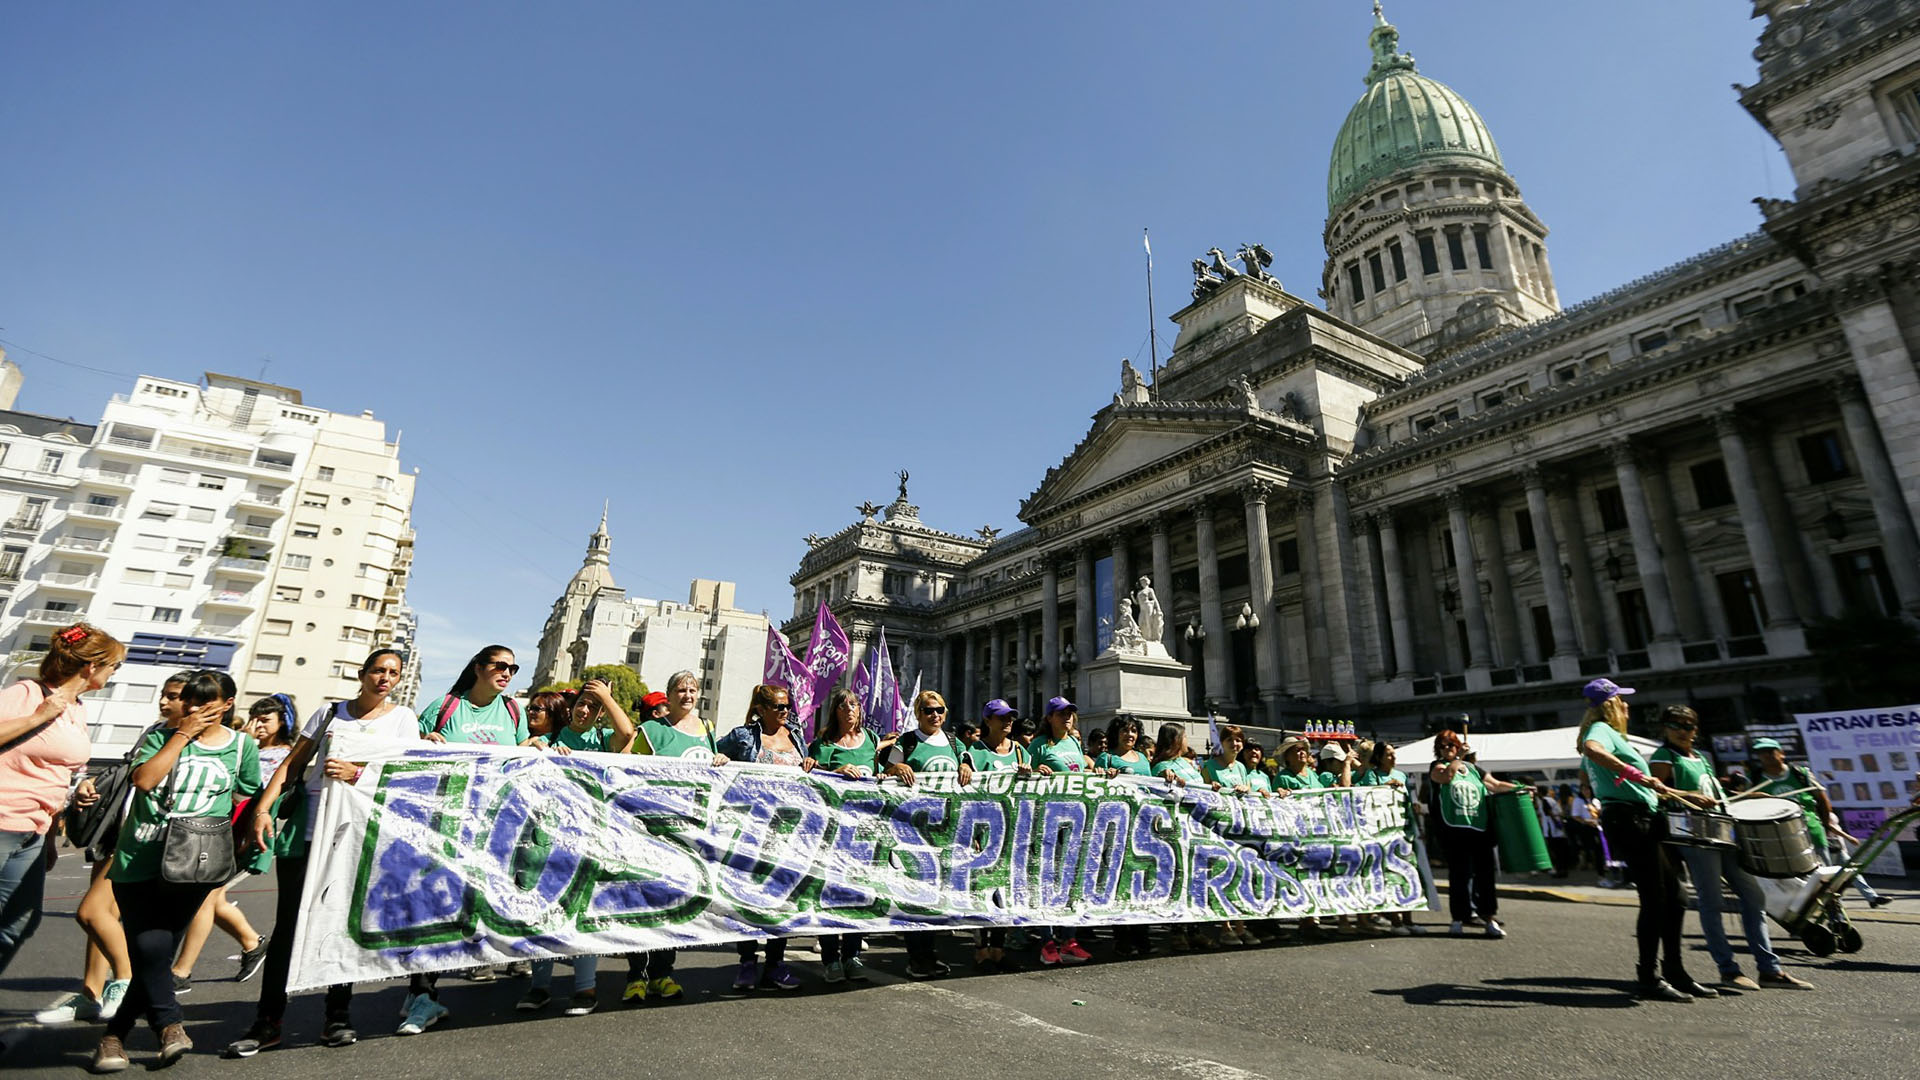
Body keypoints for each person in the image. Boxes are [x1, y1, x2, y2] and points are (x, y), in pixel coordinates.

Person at [226, 649, 417, 1057]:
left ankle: (338, 1015)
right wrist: (263, 809)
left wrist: (359, 773)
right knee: (287, 930)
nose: (385, 678)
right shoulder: (329, 714)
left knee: (339, 926)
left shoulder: (403, 720)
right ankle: (268, 1020)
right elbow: (293, 765)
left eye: (393, 673)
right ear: (362, 674)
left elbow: (408, 776)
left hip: (355, 834)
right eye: (379, 671)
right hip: (307, 831)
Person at [92, 669, 259, 1072]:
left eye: (207, 700)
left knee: (156, 951)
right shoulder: (161, 737)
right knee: (151, 949)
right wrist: (182, 734)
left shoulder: (241, 747)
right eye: (191, 699)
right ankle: (168, 1025)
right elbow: (145, 781)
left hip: (195, 863)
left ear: (228, 703)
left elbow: (250, 793)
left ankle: (115, 1038)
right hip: (140, 857)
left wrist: (253, 830)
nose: (197, 707)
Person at [394, 645, 530, 1035]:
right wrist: (426, 743)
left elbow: (517, 759)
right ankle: (423, 994)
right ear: (478, 668)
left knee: (474, 908)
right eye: (500, 666)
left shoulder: (513, 711)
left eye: (513, 668)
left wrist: (532, 748)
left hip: (494, 828)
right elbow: (408, 755)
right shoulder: (446, 705)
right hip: (446, 825)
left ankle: (424, 988)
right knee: (436, 906)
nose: (507, 673)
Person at [37, 669, 177, 1029]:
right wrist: (89, 785)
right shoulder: (156, 731)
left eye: (174, 696)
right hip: (114, 829)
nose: (164, 701)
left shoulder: (186, 740)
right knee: (104, 919)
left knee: (91, 914)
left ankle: (127, 980)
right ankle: (90, 994)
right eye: (164, 693)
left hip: (143, 837)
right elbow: (127, 776)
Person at [1649, 706, 1811, 992]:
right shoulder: (1664, 756)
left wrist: (1742, 797)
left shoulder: (1700, 757)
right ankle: (1728, 970)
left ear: (1696, 729)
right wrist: (1689, 796)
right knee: (1711, 904)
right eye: (1675, 725)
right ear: (1664, 728)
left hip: (1722, 833)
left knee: (1754, 899)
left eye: (1688, 726)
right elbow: (1656, 794)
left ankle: (1769, 970)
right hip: (1695, 838)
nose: (1683, 731)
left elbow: (1716, 796)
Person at [1578, 678, 1710, 1002]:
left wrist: (1686, 794)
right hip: (1628, 819)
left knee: (1676, 896)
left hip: (1643, 816)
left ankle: (1675, 970)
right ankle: (1648, 976)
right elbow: (1591, 751)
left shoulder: (1615, 736)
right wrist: (1635, 773)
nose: (1627, 705)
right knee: (1655, 898)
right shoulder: (1601, 731)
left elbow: (1635, 784)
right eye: (1622, 700)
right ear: (1611, 704)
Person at [0, 624, 120, 980]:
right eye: (114, 665)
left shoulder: (78, 709)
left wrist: (52, 834)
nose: (115, 673)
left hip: (33, 832)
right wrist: (39, 716)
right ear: (92, 666)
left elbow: (60, 774)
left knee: (20, 921)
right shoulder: (27, 692)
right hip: (2, 819)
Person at [621, 670, 726, 1005]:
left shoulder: (707, 730)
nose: (688, 695)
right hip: (651, 832)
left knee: (674, 907)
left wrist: (722, 759)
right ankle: (636, 976)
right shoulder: (651, 731)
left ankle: (663, 973)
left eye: (693, 689)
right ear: (668, 695)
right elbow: (625, 769)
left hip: (689, 837)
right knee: (643, 906)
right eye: (681, 689)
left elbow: (716, 771)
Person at [716, 684, 810, 993]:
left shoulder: (796, 737)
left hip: (789, 834)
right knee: (748, 897)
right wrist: (720, 759)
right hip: (752, 831)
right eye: (779, 708)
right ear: (762, 710)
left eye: (787, 707)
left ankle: (775, 964)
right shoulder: (744, 737)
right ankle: (746, 962)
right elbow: (713, 752)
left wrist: (811, 766)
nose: (786, 712)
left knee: (781, 899)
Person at [879, 689, 969, 977]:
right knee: (916, 896)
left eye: (940, 710)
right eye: (929, 710)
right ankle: (916, 956)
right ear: (918, 714)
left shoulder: (954, 742)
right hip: (913, 833)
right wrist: (897, 767)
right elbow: (884, 770)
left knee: (936, 897)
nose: (935, 715)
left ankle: (929, 953)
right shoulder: (907, 741)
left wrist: (966, 766)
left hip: (946, 832)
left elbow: (969, 770)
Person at [806, 688, 882, 983]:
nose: (850, 709)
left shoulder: (872, 741)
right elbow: (812, 777)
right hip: (832, 832)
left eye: (854, 705)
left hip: (864, 833)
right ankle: (830, 958)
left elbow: (880, 774)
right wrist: (836, 770)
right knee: (831, 894)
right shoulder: (823, 743)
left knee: (859, 895)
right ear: (834, 711)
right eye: (843, 705)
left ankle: (852, 955)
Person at [1429, 729, 1520, 939]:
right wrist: (1459, 757)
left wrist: (1518, 788)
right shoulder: (1438, 766)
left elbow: (1495, 785)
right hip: (1455, 831)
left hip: (1479, 829)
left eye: (1451, 745)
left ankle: (1488, 918)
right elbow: (1445, 777)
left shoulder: (1474, 769)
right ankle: (1458, 919)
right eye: (1443, 746)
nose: (1447, 749)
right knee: (1460, 875)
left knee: (1485, 875)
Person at [963, 699, 1030, 971]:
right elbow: (967, 794)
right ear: (988, 721)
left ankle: (998, 948)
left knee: (1006, 892)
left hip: (1013, 832)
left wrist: (1032, 773)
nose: (1008, 722)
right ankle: (981, 948)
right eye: (1002, 717)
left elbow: (1033, 789)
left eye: (1010, 717)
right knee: (981, 891)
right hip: (983, 832)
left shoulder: (1020, 752)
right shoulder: (975, 753)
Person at [1029, 696, 1094, 966]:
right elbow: (1019, 777)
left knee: (1072, 883)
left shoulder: (1074, 743)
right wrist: (1034, 771)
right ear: (1049, 718)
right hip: (1047, 823)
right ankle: (1047, 941)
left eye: (1070, 713)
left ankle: (1069, 939)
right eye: (1061, 713)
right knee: (1047, 882)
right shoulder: (1039, 746)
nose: (1067, 717)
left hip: (1075, 823)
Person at [1150, 722, 1218, 951]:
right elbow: (1159, 783)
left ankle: (1195, 929)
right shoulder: (1162, 765)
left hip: (1200, 828)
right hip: (1179, 830)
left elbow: (1201, 786)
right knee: (1179, 878)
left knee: (1198, 880)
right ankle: (1177, 931)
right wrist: (1165, 776)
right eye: (1184, 736)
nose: (1188, 740)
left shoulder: (1189, 763)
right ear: (1176, 739)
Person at [1199, 724, 1261, 946]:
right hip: (1217, 830)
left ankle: (1241, 926)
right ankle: (1225, 927)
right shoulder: (1209, 766)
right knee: (1221, 877)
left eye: (1238, 741)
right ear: (1221, 743)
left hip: (1239, 829)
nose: (1235, 745)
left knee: (1241, 877)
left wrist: (1247, 789)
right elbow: (1202, 791)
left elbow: (1248, 790)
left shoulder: (1242, 768)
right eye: (1230, 741)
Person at [1356, 739, 1426, 936]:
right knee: (1390, 878)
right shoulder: (1373, 775)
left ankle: (1409, 920)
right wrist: (1386, 787)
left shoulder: (1401, 775)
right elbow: (1368, 797)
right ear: (1379, 758)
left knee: (1408, 876)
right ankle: (1396, 922)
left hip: (1404, 832)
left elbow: (1408, 800)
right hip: (1383, 835)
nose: (1393, 756)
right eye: (1388, 754)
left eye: (1394, 753)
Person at [547, 679, 637, 754]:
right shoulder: (550, 738)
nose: (583, 710)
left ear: (601, 713)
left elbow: (627, 733)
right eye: (581, 703)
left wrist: (606, 698)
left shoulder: (603, 738)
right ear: (573, 706)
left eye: (592, 707)